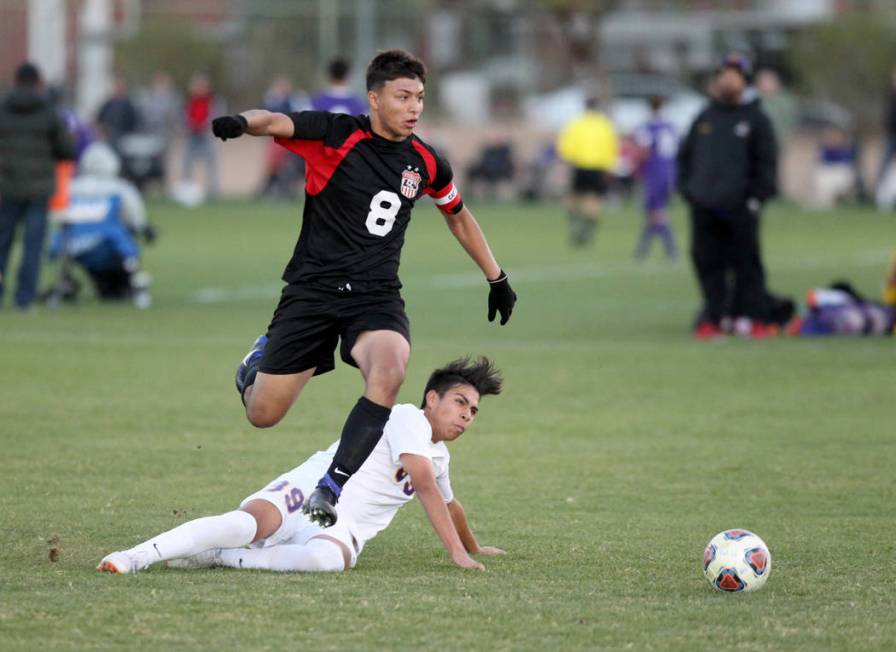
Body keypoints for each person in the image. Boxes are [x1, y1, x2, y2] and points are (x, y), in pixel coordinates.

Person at [209, 50, 517, 528]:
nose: (414, 107)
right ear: (374, 99)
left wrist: (496, 277)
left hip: (375, 297)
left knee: (391, 364)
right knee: (263, 413)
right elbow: (273, 120)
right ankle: (255, 364)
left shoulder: (426, 162)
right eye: (402, 97)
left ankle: (332, 485)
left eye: (419, 97)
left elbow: (457, 216)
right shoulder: (336, 135)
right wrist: (240, 122)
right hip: (312, 293)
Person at [98, 357, 506, 574]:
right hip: (312, 488)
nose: (468, 415)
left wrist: (474, 546)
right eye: (460, 403)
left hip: (341, 528)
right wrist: (457, 554)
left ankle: (225, 558)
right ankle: (136, 555)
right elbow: (426, 487)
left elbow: (451, 504)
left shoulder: (439, 456)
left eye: (473, 410)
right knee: (245, 524)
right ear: (432, 399)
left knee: (327, 562)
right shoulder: (406, 418)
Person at [677, 53, 778, 339]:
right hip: (705, 204)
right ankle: (715, 315)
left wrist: (758, 196)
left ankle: (755, 316)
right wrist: (689, 190)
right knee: (707, 262)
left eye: (735, 75)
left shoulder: (756, 119)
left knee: (746, 263)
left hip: (741, 205)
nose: (728, 80)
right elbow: (685, 157)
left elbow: (767, 161)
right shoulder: (705, 117)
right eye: (724, 74)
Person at [0, 62, 75, 311]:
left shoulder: (3, 106)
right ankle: (25, 298)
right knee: (33, 245)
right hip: (38, 187)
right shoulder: (48, 110)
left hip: (6, 185)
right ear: (38, 82)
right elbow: (67, 149)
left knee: (2, 242)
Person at [46, 142, 156, 307]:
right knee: (124, 245)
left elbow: (56, 216)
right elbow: (137, 220)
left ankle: (66, 281)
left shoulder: (71, 187)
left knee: (109, 290)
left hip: (69, 246)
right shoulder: (120, 188)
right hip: (107, 245)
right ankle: (131, 281)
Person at [556, 96, 619, 247]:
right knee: (594, 200)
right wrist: (610, 165)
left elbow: (565, 147)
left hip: (580, 165)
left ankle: (575, 226)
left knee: (574, 198)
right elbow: (612, 147)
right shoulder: (604, 125)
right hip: (598, 167)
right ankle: (587, 231)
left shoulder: (576, 124)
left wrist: (567, 161)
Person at [633, 95, 678, 260]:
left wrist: (636, 166)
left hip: (655, 172)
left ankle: (670, 249)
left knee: (656, 212)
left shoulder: (648, 127)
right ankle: (641, 251)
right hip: (670, 171)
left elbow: (644, 151)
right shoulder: (671, 126)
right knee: (654, 212)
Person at [182, 72, 219, 197]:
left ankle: (213, 191)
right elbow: (185, 117)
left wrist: (206, 126)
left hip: (206, 136)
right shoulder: (190, 101)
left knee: (211, 164)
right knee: (187, 163)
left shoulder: (212, 101)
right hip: (192, 135)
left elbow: (214, 116)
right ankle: (186, 190)